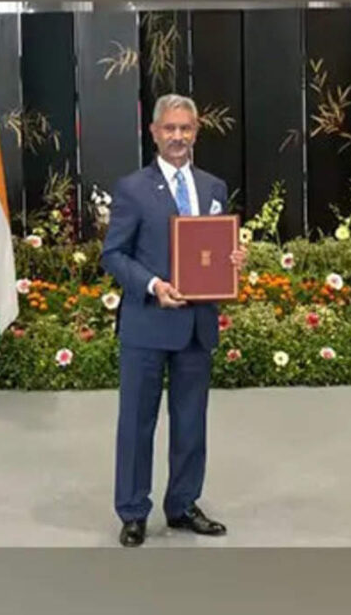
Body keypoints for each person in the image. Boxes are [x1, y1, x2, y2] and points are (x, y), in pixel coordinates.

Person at [101, 94, 247, 548]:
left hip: (197, 326)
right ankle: (132, 511)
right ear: (154, 132)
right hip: (147, 323)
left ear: (197, 130)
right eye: (170, 129)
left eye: (186, 129)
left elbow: (214, 252)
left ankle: (183, 504)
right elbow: (113, 254)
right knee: (137, 423)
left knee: (190, 422)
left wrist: (234, 259)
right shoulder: (131, 189)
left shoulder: (214, 187)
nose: (178, 137)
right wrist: (152, 286)